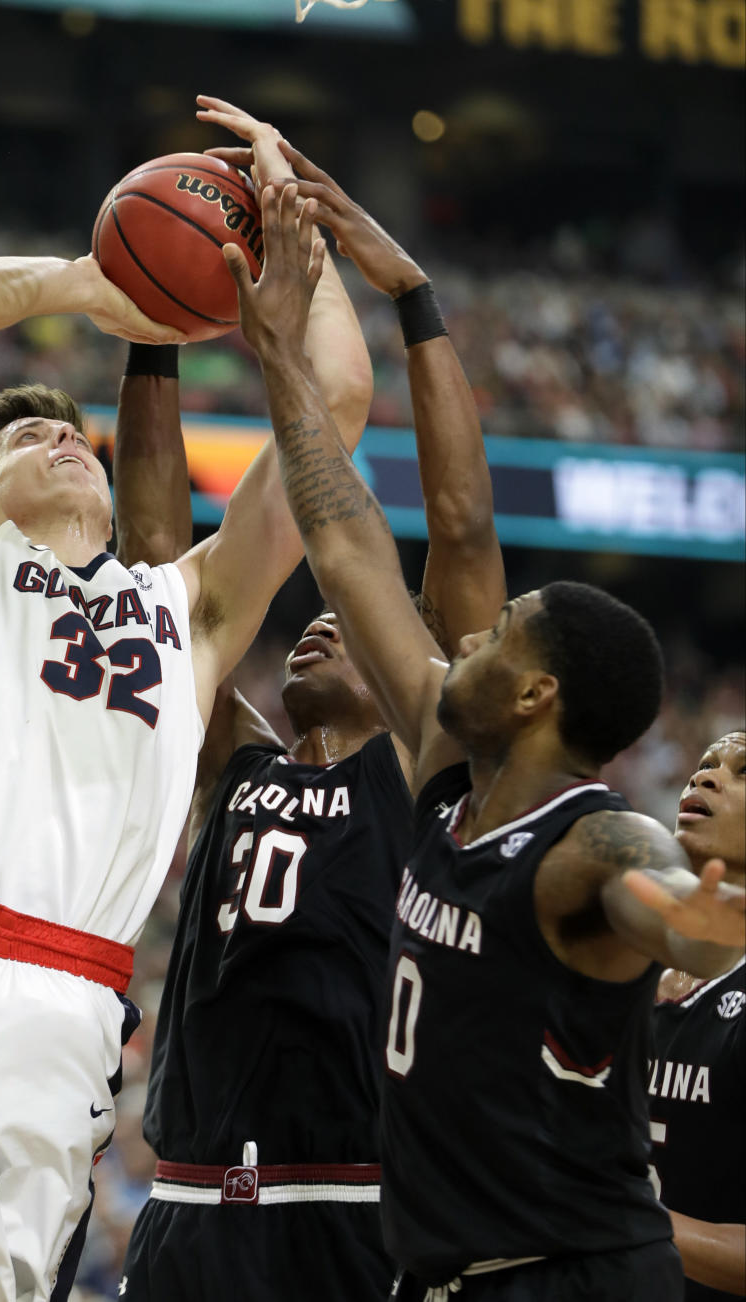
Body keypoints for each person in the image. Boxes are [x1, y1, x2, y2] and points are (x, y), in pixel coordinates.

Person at [0, 224, 367, 1302]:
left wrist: (303, 253)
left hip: (70, 1004)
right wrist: (97, 289)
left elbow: (336, 412)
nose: (61, 437)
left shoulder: (186, 610)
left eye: (74, 434)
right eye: (27, 436)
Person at [225, 165, 746, 1301]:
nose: (463, 640)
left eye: (499, 634)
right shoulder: (449, 767)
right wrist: (303, 338)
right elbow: (345, 531)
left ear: (537, 696)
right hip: (447, 1273)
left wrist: (686, 917)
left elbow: (650, 892)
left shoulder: (590, 846)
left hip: (570, 1277)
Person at [116, 98, 506, 1302]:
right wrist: (156, 332)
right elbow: (152, 556)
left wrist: (414, 301)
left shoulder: (431, 769)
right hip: (187, 1205)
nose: (322, 621)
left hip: (355, 1202)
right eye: (309, 619)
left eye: (353, 613)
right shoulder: (235, 758)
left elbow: (460, 530)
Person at [650, 730, 745, 1300]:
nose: (704, 776)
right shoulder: (626, 966)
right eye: (705, 763)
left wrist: (617, 1221)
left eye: (742, 772)